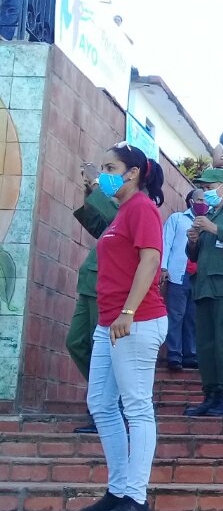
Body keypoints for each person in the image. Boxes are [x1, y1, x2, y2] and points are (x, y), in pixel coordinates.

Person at [81, 143, 167, 511]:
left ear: (132, 172)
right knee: (100, 403)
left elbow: (151, 259)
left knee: (136, 407)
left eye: (110, 167)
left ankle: (136, 498)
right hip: (109, 322)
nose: (105, 173)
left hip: (136, 320)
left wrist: (129, 311)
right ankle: (118, 489)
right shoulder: (120, 213)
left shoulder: (141, 208)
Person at [184, 168, 223, 417]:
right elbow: (195, 255)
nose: (207, 192)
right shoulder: (208, 214)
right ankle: (210, 394)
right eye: (204, 188)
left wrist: (213, 228)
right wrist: (193, 241)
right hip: (203, 287)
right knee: (206, 345)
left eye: (210, 188)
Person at [66, 163, 120, 434]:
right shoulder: (111, 201)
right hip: (90, 281)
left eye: (112, 168)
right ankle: (105, 397)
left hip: (105, 286)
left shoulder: (135, 202)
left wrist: (98, 186)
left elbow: (116, 219)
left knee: (102, 350)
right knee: (76, 342)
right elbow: (99, 226)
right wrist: (90, 194)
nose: (107, 174)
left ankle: (107, 405)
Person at [160, 189, 202, 373]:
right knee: (176, 315)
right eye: (200, 199)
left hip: (199, 277)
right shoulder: (177, 219)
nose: (204, 202)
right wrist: (163, 267)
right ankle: (174, 354)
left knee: (192, 317)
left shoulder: (208, 223)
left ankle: (190, 354)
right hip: (179, 274)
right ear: (191, 202)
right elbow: (165, 242)